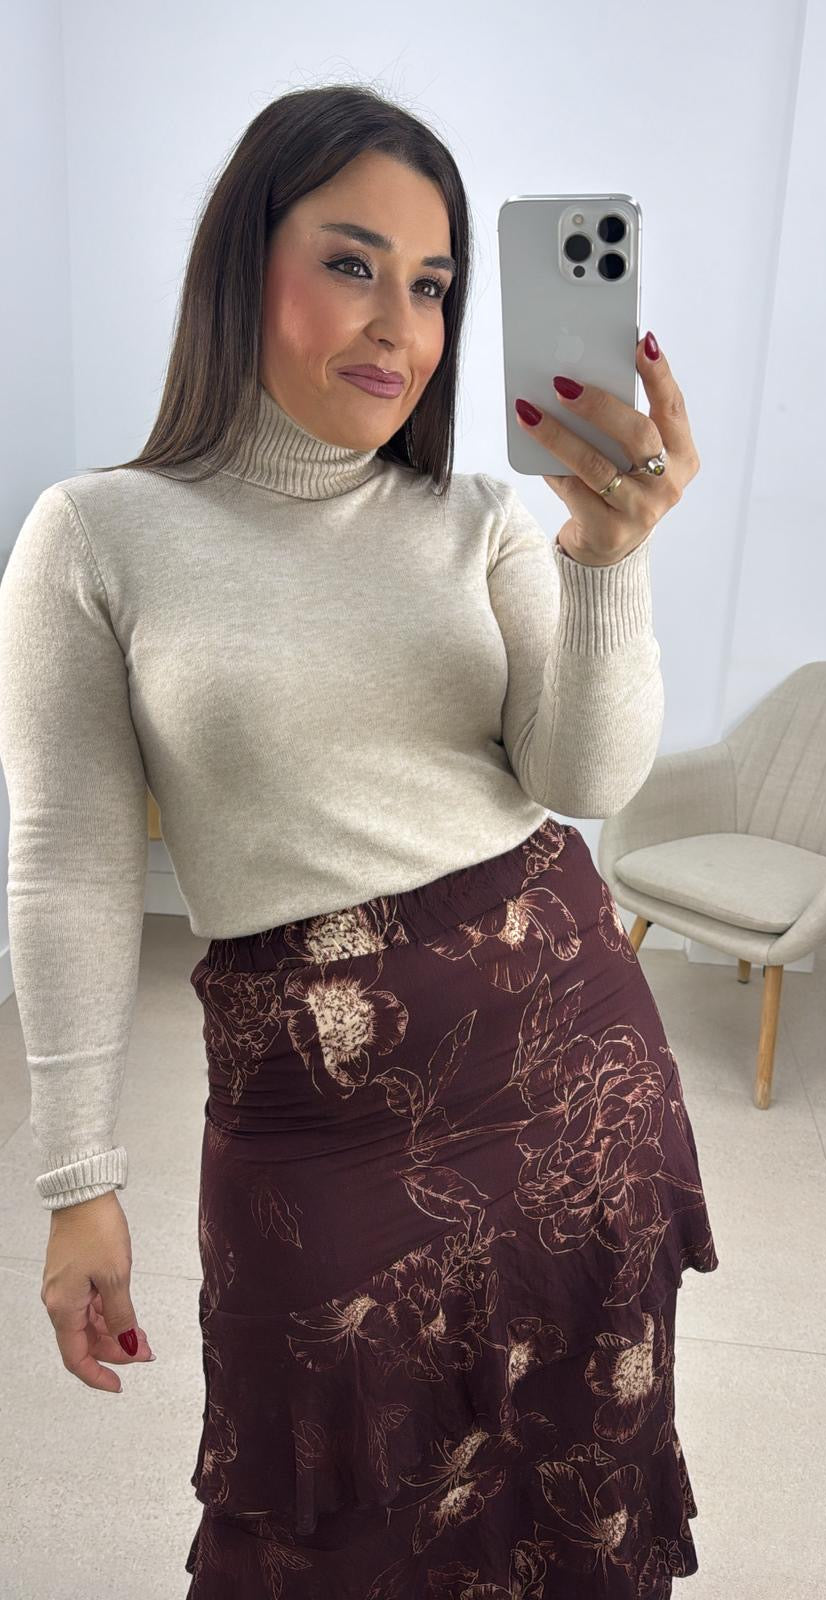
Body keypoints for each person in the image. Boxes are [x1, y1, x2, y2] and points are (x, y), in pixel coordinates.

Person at [0, 83, 717, 1600]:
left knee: (567, 1503)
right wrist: (76, 1173)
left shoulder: (485, 519)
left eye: (435, 285)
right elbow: (67, 855)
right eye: (350, 264)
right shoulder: (98, 534)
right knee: (317, 1521)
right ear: (241, 267)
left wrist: (606, 558)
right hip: (310, 1118)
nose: (400, 325)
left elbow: (583, 774)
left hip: (571, 1074)